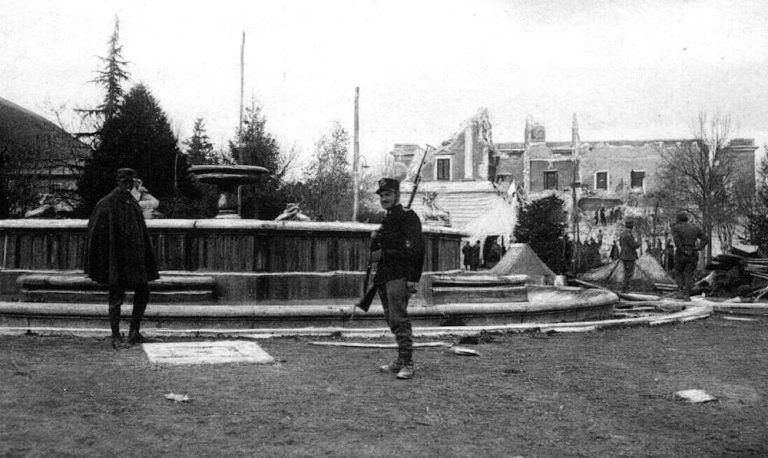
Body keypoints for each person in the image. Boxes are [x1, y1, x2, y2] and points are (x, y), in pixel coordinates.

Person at [84, 168, 159, 349]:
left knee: (144, 292)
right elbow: (97, 235)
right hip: (116, 260)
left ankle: (134, 332)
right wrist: (107, 260)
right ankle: (116, 336)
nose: (128, 185)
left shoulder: (131, 202)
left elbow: (140, 231)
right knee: (116, 297)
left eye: (131, 182)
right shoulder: (106, 204)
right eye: (125, 181)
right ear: (118, 181)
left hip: (134, 260)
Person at [371, 178, 425, 380]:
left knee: (399, 318)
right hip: (385, 275)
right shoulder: (388, 219)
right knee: (391, 318)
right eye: (382, 195)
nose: (384, 198)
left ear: (397, 195)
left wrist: (412, 278)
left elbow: (418, 249)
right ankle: (400, 360)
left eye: (388, 195)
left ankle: (408, 363)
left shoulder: (408, 217)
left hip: (400, 274)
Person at [671, 212, 707, 301]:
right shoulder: (695, 227)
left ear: (678, 219)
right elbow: (705, 238)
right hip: (693, 252)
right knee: (689, 274)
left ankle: (680, 292)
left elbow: (677, 242)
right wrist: (698, 247)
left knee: (678, 272)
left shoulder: (676, 228)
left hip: (681, 253)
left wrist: (683, 251)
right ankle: (687, 295)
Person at [618, 220, 641, 292]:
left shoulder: (622, 234)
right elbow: (634, 245)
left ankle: (625, 288)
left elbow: (620, 244)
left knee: (626, 272)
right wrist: (639, 241)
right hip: (629, 256)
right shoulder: (629, 235)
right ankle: (625, 288)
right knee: (629, 273)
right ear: (631, 226)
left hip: (623, 256)